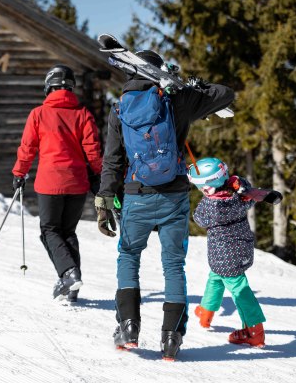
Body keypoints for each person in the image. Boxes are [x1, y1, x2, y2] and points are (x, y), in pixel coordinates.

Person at [94, 49, 234, 360]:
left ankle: (128, 326)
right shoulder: (178, 100)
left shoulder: (119, 110)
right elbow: (226, 94)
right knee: (174, 265)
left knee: (129, 256)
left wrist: (104, 199)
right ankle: (171, 338)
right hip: (174, 197)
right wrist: (197, 86)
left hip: (136, 196)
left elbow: (113, 161)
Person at [12, 64, 103, 303]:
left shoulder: (39, 114)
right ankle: (72, 286)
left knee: (49, 231)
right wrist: (100, 176)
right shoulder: (83, 113)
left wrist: (19, 174)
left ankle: (69, 274)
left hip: (50, 182)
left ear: (48, 87)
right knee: (67, 232)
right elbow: (93, 150)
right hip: (77, 182)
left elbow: (28, 148)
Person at [189, 157, 280, 348]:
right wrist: (237, 185)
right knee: (215, 277)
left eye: (200, 187)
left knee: (240, 290)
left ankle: (254, 332)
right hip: (242, 248)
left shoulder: (212, 207)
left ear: (208, 188)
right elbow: (245, 188)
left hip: (224, 255)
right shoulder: (241, 195)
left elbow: (198, 218)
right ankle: (206, 312)